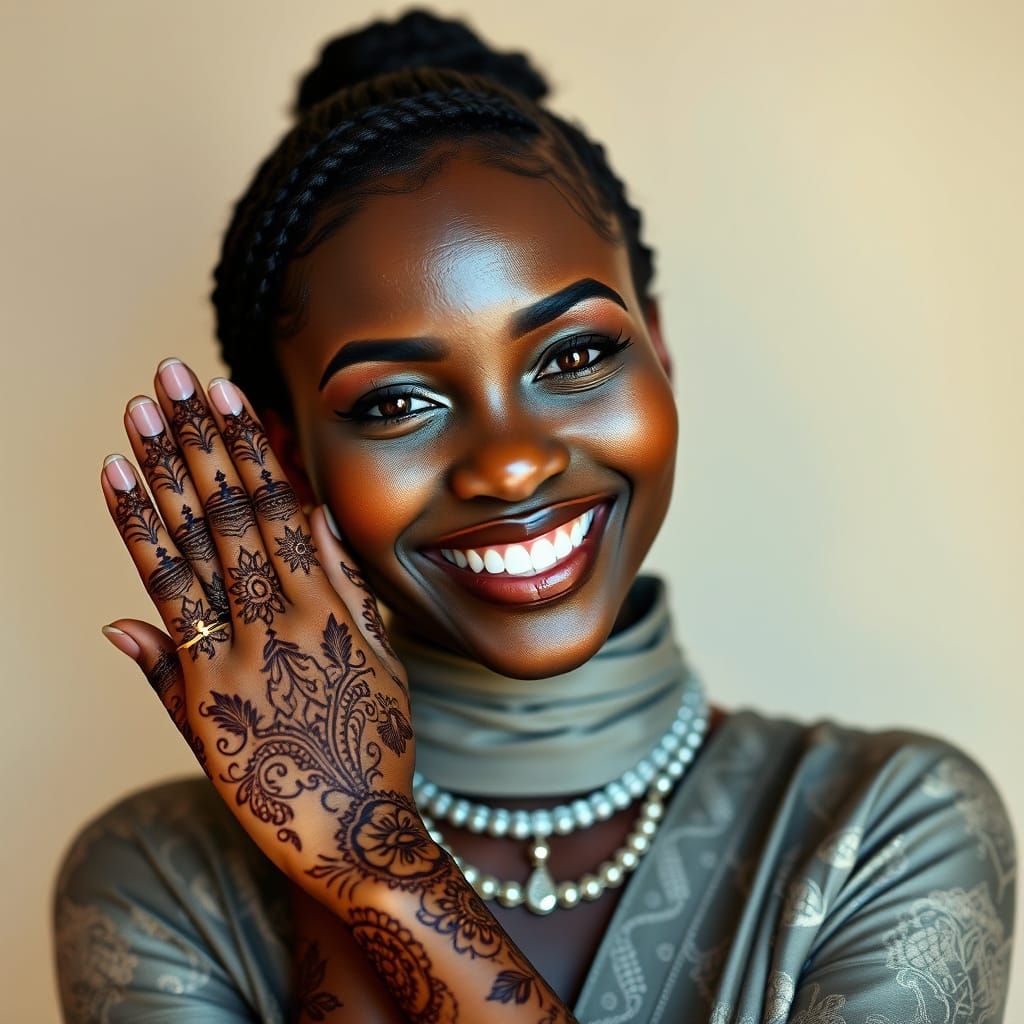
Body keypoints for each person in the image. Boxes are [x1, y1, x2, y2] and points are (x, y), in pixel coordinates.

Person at [53, 10, 1015, 1023]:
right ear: (285, 456)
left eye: (575, 356)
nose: (511, 464)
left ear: (660, 352)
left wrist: (373, 863)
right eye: (395, 403)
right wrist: (324, 828)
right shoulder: (155, 882)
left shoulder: (893, 824)